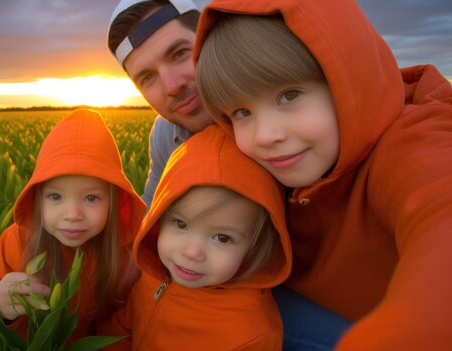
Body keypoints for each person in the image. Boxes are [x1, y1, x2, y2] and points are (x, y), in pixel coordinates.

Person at [194, 0, 452, 349]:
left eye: (290, 95)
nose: (265, 135)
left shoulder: (413, 141)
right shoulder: (261, 159)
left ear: (347, 78)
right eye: (241, 111)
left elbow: (439, 210)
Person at [0, 109, 146, 342]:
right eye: (55, 197)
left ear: (114, 203)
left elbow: (129, 319)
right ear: (37, 199)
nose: (73, 215)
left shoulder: (125, 252)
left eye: (91, 198)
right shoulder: (18, 240)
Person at [99, 125, 292, 350]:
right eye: (180, 224)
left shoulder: (250, 335)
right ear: (158, 219)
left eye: (222, 238)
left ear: (255, 246)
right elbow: (121, 328)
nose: (191, 252)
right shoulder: (153, 275)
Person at [107, 0, 214, 209]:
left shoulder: (277, 94)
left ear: (210, 37)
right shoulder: (166, 134)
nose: (172, 86)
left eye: (180, 53)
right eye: (147, 77)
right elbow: (154, 207)